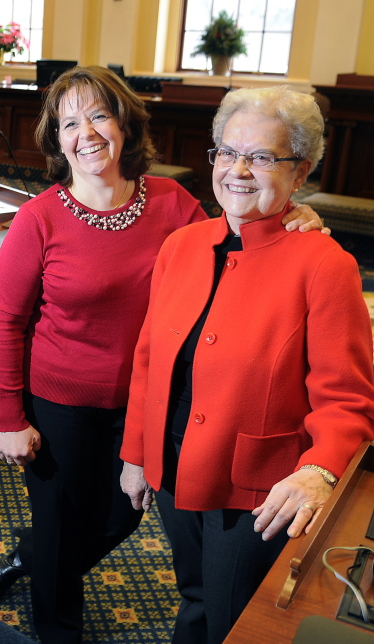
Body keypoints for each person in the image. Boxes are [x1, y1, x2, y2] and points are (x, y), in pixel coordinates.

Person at [0, 67, 325, 644]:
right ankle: (55, 622)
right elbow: (6, 323)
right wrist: (10, 418)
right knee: (61, 528)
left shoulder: (170, 201)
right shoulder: (39, 218)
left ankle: (38, 558)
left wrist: (297, 220)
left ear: (124, 124)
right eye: (70, 122)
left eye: (98, 116)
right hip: (61, 401)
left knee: (123, 515)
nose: (86, 133)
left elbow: (232, 245)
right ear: (56, 138)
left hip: (149, 402)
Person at [119, 86, 374, 644]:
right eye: (227, 153)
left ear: (300, 171)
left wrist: (320, 468)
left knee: (233, 617)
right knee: (193, 594)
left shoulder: (325, 265)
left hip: (257, 490)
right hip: (173, 461)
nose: (238, 170)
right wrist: (136, 453)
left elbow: (348, 398)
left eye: (261, 157)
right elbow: (149, 359)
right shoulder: (181, 246)